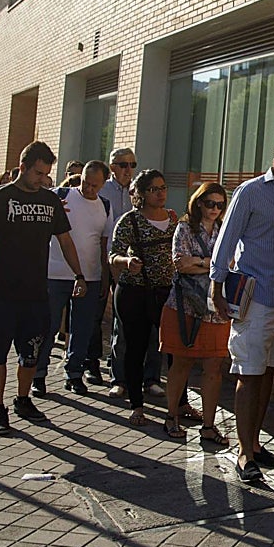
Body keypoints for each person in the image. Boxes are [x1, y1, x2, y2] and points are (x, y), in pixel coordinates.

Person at [0, 141, 86, 434]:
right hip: (0, 292)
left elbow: (65, 241)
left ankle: (22, 398)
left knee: (30, 354)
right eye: (38, 173)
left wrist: (79, 274)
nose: (43, 180)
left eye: (46, 174)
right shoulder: (0, 198)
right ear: (23, 167)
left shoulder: (50, 201)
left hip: (35, 294)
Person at [209, 135, 274, 482]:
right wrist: (216, 286)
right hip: (255, 297)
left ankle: (253, 443)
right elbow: (226, 239)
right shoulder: (250, 192)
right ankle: (242, 453)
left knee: (269, 371)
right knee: (249, 372)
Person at [33, 161, 114, 396]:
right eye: (85, 182)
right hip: (55, 273)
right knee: (48, 325)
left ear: (102, 184)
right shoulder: (61, 196)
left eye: (94, 185)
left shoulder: (104, 206)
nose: (88, 188)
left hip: (90, 276)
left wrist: (105, 278)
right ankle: (38, 374)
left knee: (82, 327)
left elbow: (103, 245)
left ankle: (74, 373)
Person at [162, 182, 231, 443]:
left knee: (214, 368)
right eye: (210, 203)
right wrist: (213, 265)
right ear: (199, 202)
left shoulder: (225, 230)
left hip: (216, 308)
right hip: (186, 307)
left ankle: (209, 425)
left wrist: (200, 262)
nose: (215, 209)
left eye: (220, 204)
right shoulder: (185, 227)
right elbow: (180, 263)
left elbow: (232, 263)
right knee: (182, 362)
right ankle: (171, 416)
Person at [107, 169, 177, 427]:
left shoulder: (172, 218)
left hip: (166, 292)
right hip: (134, 292)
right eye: (154, 189)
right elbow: (113, 254)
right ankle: (136, 405)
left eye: (163, 188)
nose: (160, 193)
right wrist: (127, 261)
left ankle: (177, 402)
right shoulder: (129, 221)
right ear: (142, 193)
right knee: (135, 348)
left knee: (172, 348)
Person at [102, 147, 162, 396]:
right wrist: (122, 263)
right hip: (118, 267)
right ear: (112, 166)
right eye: (123, 164)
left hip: (155, 282)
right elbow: (111, 243)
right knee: (123, 329)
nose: (128, 169)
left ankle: (151, 379)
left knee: (153, 331)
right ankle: (120, 379)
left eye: (132, 164)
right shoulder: (104, 191)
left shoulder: (166, 216)